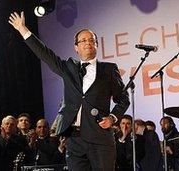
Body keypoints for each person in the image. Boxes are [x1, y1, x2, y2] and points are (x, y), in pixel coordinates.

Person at [8, 12, 130, 171]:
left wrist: (113, 118)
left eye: (92, 40)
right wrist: (23, 29)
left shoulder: (108, 69)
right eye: (83, 40)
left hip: (100, 138)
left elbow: (123, 98)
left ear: (97, 46)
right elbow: (45, 54)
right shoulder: (69, 68)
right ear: (76, 47)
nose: (88, 43)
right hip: (74, 138)